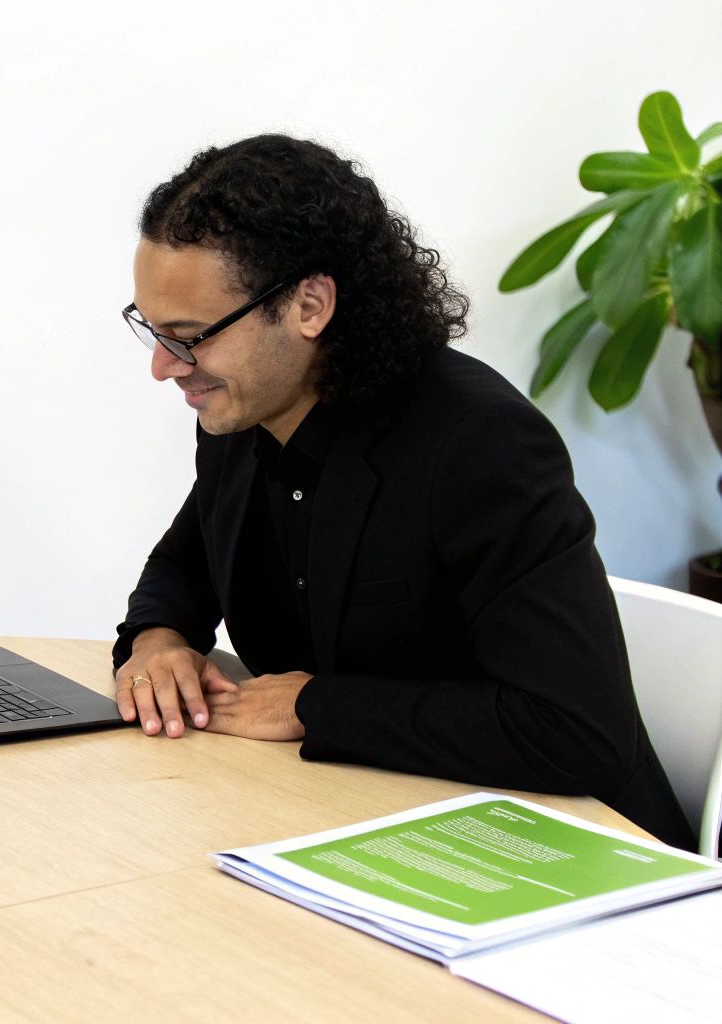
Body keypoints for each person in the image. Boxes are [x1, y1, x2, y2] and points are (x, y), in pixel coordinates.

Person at [110, 135, 693, 849]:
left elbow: (575, 732)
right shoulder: (241, 418)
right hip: (370, 820)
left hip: (564, 849)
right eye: (153, 331)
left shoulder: (481, 444)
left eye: (190, 335)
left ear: (310, 305)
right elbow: (187, 563)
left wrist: (318, 706)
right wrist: (157, 641)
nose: (166, 368)